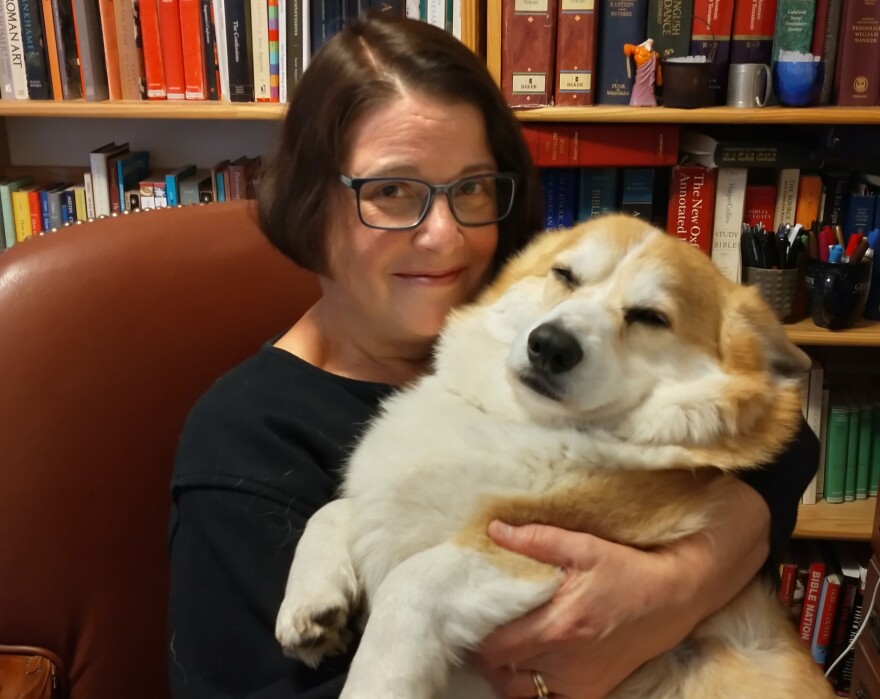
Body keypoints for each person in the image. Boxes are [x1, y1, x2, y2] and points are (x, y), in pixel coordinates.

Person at [166, 15, 819, 699]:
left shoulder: (526, 306)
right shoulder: (243, 442)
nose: (445, 236)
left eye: (471, 187)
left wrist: (675, 587)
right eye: (392, 190)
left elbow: (777, 435)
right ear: (310, 198)